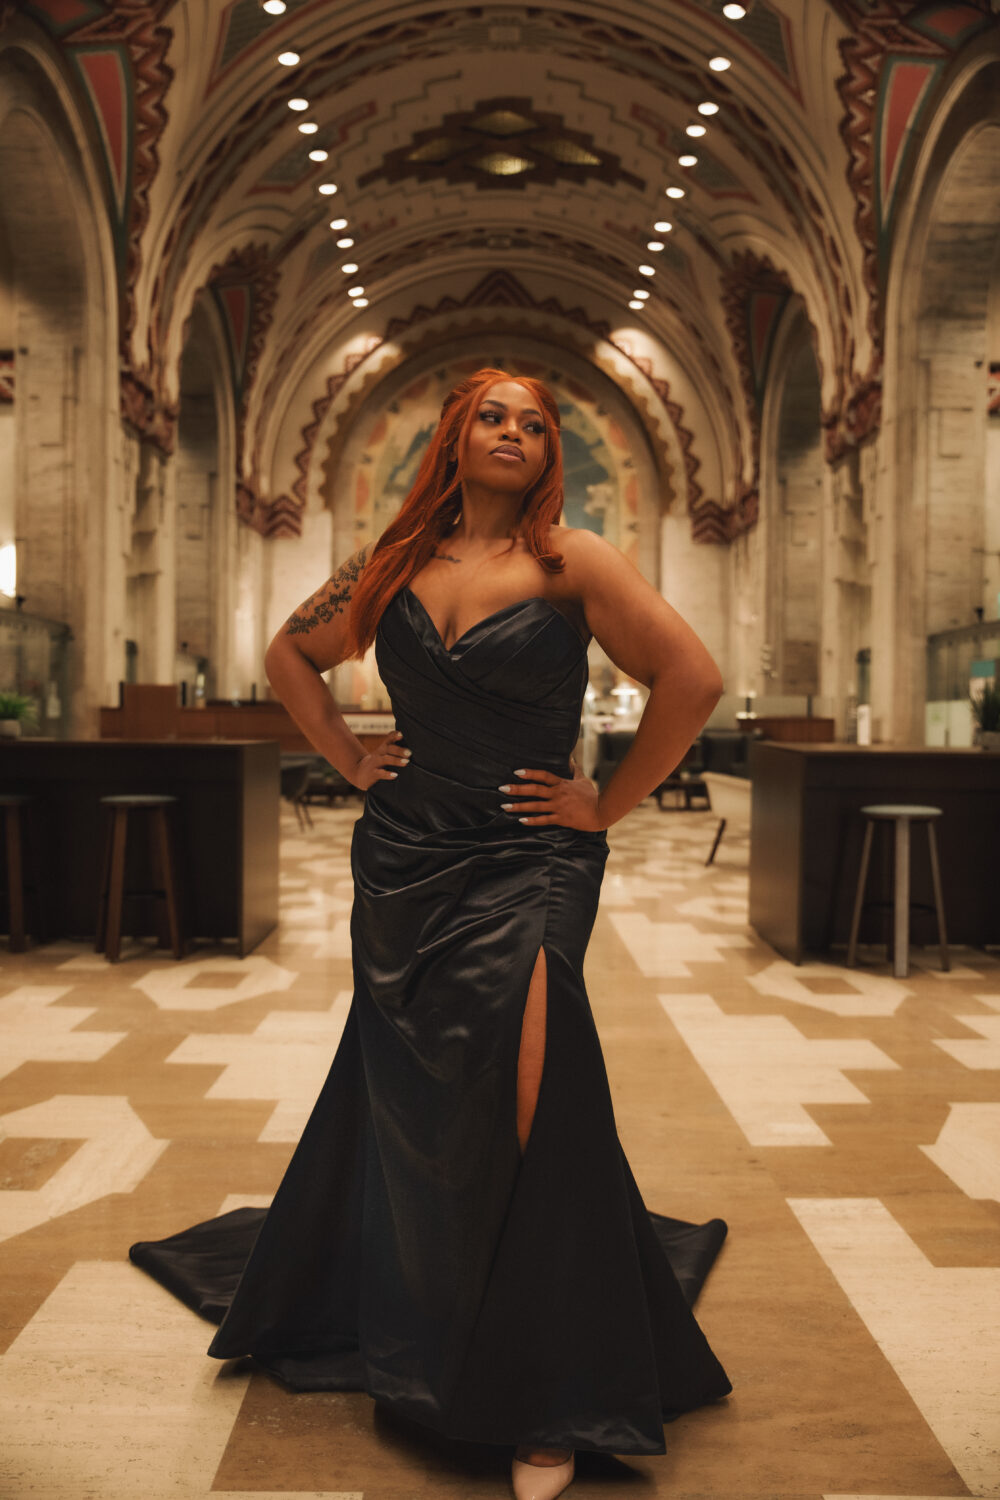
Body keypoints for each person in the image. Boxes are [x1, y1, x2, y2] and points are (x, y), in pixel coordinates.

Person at [130, 368, 731, 1500]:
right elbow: (289, 657)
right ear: (455, 435)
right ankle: (427, 1304)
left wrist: (605, 803)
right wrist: (353, 761)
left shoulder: (573, 563)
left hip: (530, 858)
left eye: (535, 422)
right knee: (422, 1096)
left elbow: (690, 680)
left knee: (533, 1096)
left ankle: (549, 1391)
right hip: (407, 857)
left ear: (551, 451)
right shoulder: (392, 564)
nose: (514, 431)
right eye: (493, 414)